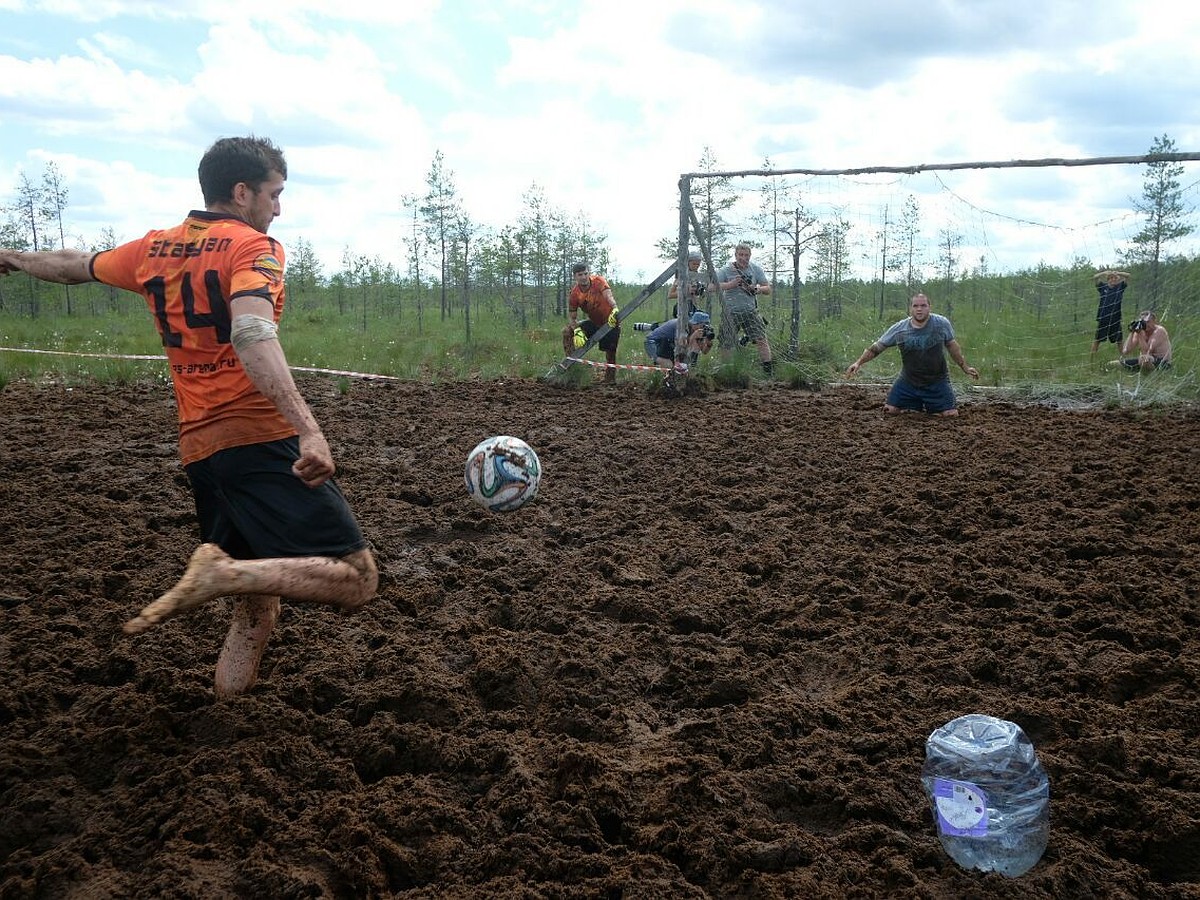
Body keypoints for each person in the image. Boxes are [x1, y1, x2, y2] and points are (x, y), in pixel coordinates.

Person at [0, 136, 378, 699]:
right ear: (242, 191)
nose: (279, 208)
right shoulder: (254, 248)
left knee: (255, 612)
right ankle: (221, 575)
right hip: (257, 436)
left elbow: (74, 264)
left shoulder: (155, 249)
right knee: (356, 578)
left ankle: (228, 714)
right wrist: (309, 427)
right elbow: (251, 331)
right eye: (275, 194)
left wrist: (11, 257)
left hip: (202, 449)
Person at [845, 292, 979, 416]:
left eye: (923, 305)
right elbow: (877, 347)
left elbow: (952, 346)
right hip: (908, 381)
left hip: (937, 381)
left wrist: (965, 368)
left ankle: (930, 404)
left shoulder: (941, 324)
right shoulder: (900, 329)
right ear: (911, 308)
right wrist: (858, 363)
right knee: (890, 411)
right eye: (916, 306)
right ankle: (915, 403)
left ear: (929, 307)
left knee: (951, 415)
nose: (919, 309)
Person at [717, 242, 773, 375]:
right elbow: (711, 287)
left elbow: (768, 288)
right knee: (726, 342)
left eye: (746, 255)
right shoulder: (726, 269)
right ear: (735, 255)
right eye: (740, 255)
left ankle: (767, 372)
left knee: (761, 338)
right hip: (731, 312)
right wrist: (730, 284)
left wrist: (757, 289)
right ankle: (727, 371)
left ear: (750, 256)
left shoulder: (756, 269)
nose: (743, 258)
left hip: (751, 311)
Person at [562, 261, 621, 384]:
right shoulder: (574, 293)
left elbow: (608, 296)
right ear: (575, 276)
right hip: (594, 322)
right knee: (567, 331)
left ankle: (610, 379)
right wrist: (577, 329)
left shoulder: (598, 281)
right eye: (580, 275)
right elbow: (572, 317)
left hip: (610, 321)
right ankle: (573, 370)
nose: (583, 277)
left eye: (585, 273)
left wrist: (615, 308)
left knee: (610, 351)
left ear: (588, 273)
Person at [644, 311, 715, 368]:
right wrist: (693, 337)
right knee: (669, 366)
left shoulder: (698, 331)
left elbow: (704, 352)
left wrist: (708, 343)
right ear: (695, 324)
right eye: (702, 326)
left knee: (681, 367)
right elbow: (683, 346)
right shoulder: (681, 326)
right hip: (654, 342)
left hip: (669, 344)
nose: (703, 328)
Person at [1091, 269, 1131, 355]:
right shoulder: (1102, 287)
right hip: (1103, 318)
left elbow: (1128, 275)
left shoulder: (1120, 287)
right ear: (1108, 279)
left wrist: (1118, 273)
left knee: (1119, 340)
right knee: (1098, 339)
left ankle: (1123, 358)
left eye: (1115, 278)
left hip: (1115, 318)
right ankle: (1092, 358)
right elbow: (1095, 277)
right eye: (1111, 278)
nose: (1113, 280)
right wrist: (1104, 273)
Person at [668, 249, 710, 319]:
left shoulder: (697, 276)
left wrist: (701, 291)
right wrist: (686, 291)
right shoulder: (681, 276)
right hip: (682, 307)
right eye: (694, 264)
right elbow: (670, 295)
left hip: (694, 307)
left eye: (698, 264)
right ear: (688, 263)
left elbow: (698, 295)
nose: (696, 266)